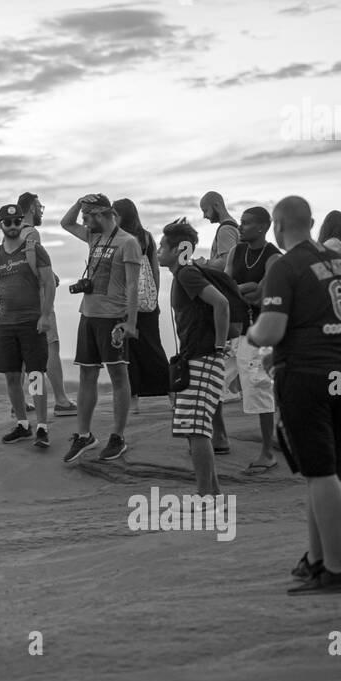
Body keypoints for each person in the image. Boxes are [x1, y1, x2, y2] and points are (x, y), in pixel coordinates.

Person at [248, 195, 341, 595]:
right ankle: (316, 561)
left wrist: (253, 336)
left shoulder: (285, 266)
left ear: (277, 226)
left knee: (319, 472)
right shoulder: (340, 264)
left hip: (307, 377)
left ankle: (336, 570)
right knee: (323, 474)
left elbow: (272, 329)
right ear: (310, 222)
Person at [59, 194, 141, 463]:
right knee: (87, 374)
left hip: (113, 318)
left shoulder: (128, 242)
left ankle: (117, 437)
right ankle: (84, 435)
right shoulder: (95, 237)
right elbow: (65, 222)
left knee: (118, 374)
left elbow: (132, 284)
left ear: (101, 214)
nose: (83, 221)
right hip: (89, 314)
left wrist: (130, 322)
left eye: (87, 216)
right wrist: (80, 201)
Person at [157, 218, 230, 495]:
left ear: (178, 249)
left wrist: (219, 349)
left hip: (204, 357)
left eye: (163, 246)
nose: (158, 251)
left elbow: (221, 303)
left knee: (197, 430)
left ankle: (206, 497)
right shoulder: (183, 275)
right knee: (193, 428)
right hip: (195, 357)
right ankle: (211, 494)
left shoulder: (187, 273)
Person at [0, 205, 55, 449]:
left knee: (35, 375)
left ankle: (43, 427)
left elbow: (49, 283)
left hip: (31, 321)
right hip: (5, 323)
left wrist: (45, 316)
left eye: (16, 221)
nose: (13, 226)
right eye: (8, 222)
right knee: (12, 375)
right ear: (0, 225)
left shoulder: (34, 250)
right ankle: (23, 424)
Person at [226, 206, 282, 473]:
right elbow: (226, 288)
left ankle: (267, 452)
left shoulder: (273, 257)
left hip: (259, 331)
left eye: (246, 223)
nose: (240, 226)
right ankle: (218, 438)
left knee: (260, 388)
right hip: (233, 328)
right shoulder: (236, 252)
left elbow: (259, 294)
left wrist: (237, 291)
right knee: (215, 384)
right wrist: (240, 290)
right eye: (241, 222)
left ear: (261, 227)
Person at [15, 192, 76, 416]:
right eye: (40, 206)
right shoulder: (32, 233)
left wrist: (51, 273)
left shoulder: (12, 234)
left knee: (27, 355)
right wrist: (47, 278)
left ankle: (20, 401)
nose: (42, 210)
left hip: (17, 302)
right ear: (31, 207)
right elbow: (32, 265)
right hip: (38, 301)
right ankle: (61, 401)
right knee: (51, 349)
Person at [114, 198, 169, 410]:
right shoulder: (146, 237)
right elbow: (154, 269)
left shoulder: (119, 238)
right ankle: (171, 394)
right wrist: (154, 298)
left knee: (128, 353)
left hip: (123, 302)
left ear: (122, 215)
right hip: (147, 303)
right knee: (154, 348)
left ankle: (133, 401)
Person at [199, 191, 240, 271]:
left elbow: (226, 262)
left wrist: (203, 263)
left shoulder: (225, 230)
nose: (204, 216)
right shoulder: (233, 225)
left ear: (216, 206)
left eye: (205, 211)